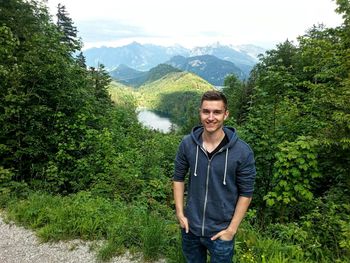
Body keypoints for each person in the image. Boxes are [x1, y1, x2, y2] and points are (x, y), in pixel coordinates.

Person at [173, 90, 256, 263]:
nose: (211, 117)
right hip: (191, 229)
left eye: (217, 112)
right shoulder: (187, 144)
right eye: (206, 111)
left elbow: (246, 193)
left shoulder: (242, 151)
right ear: (200, 112)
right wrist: (180, 214)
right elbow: (178, 178)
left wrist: (231, 230)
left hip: (221, 232)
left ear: (226, 114)